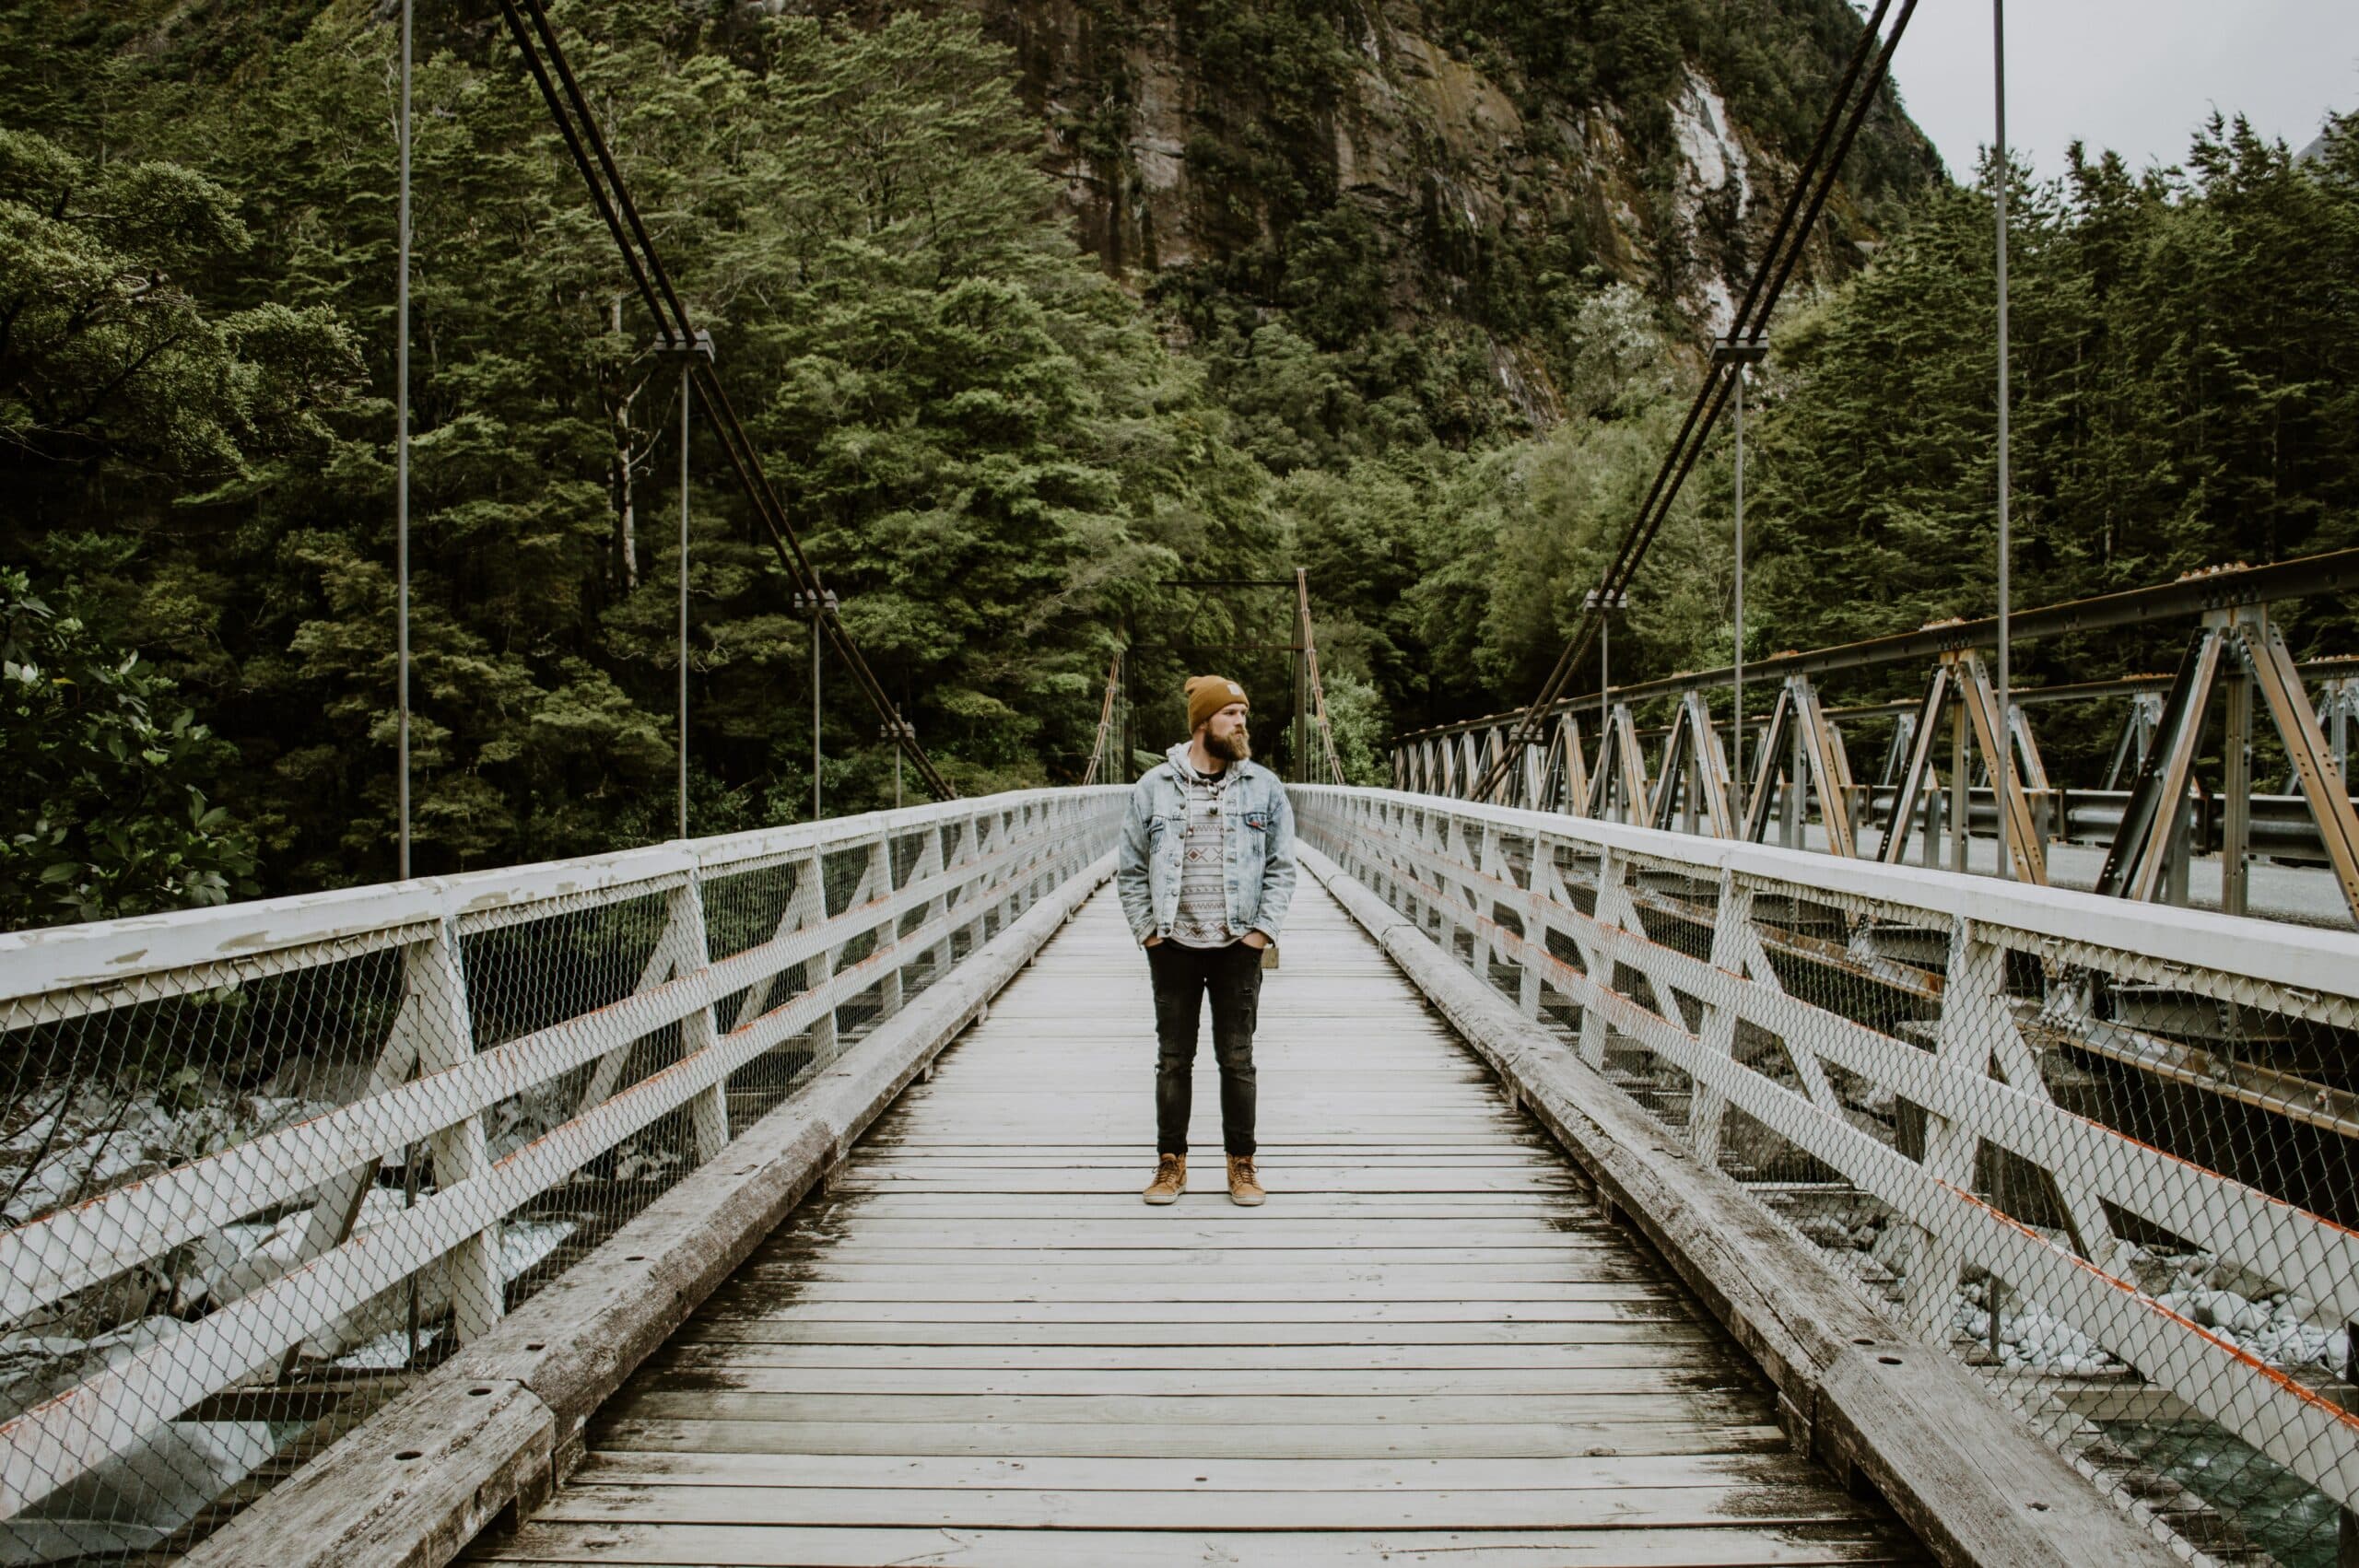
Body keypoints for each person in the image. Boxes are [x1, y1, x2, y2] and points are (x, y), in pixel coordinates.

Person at [1114, 675, 1297, 1206]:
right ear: (1203, 723)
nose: (1242, 722)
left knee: (1237, 1058)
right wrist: (1149, 934)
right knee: (1173, 1058)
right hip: (1173, 944)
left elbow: (1283, 868)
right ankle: (1171, 1164)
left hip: (1239, 944)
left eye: (1244, 713)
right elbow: (1130, 870)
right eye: (1231, 714)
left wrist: (1261, 934)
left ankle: (1242, 1164)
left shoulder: (1265, 787)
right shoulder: (1152, 788)